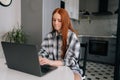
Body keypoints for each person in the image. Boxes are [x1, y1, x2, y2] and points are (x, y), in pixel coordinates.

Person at [38, 8, 82, 80]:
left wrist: (51, 62)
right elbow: (43, 52)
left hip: (71, 69)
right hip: (53, 68)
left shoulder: (72, 36)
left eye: (59, 20)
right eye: (54, 20)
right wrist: (40, 57)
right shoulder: (49, 36)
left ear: (65, 21)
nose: (55, 23)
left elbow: (70, 61)